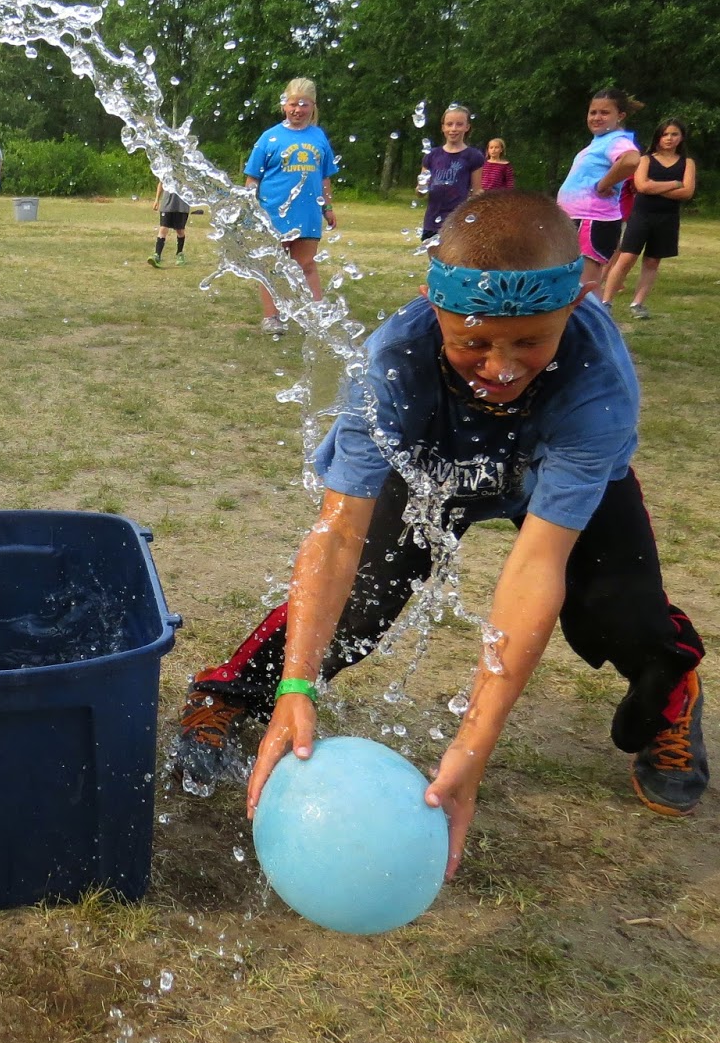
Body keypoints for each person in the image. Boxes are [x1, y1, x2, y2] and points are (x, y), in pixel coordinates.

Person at [174, 190, 707, 878]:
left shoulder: (596, 380)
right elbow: (336, 537)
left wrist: (472, 750)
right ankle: (230, 692)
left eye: (531, 342)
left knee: (620, 614)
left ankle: (672, 694)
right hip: (433, 467)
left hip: (551, 473)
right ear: (436, 306)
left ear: (574, 305)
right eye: (473, 342)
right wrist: (296, 688)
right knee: (361, 605)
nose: (503, 367)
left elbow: (536, 566)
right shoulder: (391, 363)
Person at [243, 77, 339, 336]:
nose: (297, 110)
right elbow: (253, 178)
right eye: (292, 104)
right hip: (273, 212)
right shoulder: (270, 137)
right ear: (284, 105)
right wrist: (249, 206)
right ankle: (272, 316)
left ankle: (317, 314)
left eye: (304, 105)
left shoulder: (318, 137)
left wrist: (327, 208)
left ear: (313, 106)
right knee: (272, 265)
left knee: (306, 264)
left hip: (307, 212)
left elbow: (325, 176)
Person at [602, 118, 696, 320]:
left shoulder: (687, 163)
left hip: (668, 218)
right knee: (626, 258)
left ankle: (638, 303)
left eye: (674, 134)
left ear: (681, 137)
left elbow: (687, 192)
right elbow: (642, 187)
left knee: (653, 261)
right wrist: (674, 183)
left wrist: (656, 187)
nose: (669, 138)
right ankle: (606, 301)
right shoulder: (645, 160)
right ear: (658, 137)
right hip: (642, 215)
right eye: (665, 134)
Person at [557, 88, 643, 290]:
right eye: (593, 112)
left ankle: (593, 321)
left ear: (620, 116)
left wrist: (602, 184)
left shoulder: (617, 140)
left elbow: (631, 160)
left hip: (592, 221)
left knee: (584, 286)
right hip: (579, 219)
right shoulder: (599, 142)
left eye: (604, 113)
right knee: (577, 285)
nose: (596, 117)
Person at [417, 105, 485, 239]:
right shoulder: (431, 156)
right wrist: (421, 187)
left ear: (467, 127)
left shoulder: (473, 156)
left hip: (458, 221)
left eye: (459, 124)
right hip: (432, 221)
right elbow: (419, 193)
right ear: (443, 128)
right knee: (435, 261)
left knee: (455, 260)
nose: (453, 129)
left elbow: (477, 192)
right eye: (449, 124)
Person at [146, 179, 190, 268]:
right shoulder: (166, 169)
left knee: (180, 231)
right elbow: (161, 183)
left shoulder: (185, 168)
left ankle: (179, 254)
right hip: (167, 204)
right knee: (163, 228)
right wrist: (157, 200)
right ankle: (157, 255)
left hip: (182, 206)